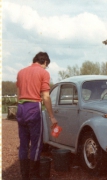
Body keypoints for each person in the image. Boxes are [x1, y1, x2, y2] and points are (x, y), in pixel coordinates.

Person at [16, 52, 58, 180]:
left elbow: (18, 94)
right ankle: (34, 175)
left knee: (23, 144)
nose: (46, 68)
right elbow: (45, 96)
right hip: (33, 107)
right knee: (36, 143)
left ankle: (25, 176)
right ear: (45, 62)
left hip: (21, 107)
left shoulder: (21, 72)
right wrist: (52, 117)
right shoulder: (43, 72)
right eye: (47, 65)